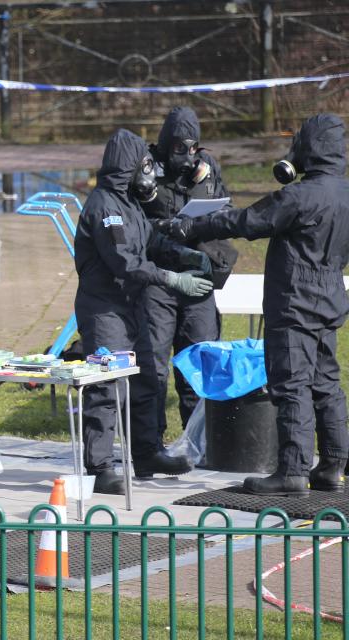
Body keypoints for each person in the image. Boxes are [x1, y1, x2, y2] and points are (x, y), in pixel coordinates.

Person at [159, 113, 349, 496]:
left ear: (308, 149)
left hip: (294, 302)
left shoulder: (299, 196)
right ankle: (332, 463)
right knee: (326, 381)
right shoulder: (344, 194)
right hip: (329, 297)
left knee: (291, 383)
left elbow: (246, 221)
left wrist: (193, 227)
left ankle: (292, 470)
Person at [74, 129, 214, 495]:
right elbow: (124, 261)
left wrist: (182, 254)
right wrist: (172, 279)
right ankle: (100, 466)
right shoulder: (104, 207)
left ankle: (148, 452)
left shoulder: (128, 203)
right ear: (128, 167)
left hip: (131, 306)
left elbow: (148, 238)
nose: (150, 173)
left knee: (146, 379)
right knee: (105, 387)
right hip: (105, 310)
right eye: (145, 165)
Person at [142, 106, 237, 431]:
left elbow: (228, 212)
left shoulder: (208, 168)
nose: (187, 154)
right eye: (179, 147)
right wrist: (167, 227)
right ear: (167, 144)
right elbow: (133, 226)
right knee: (153, 364)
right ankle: (151, 443)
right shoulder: (145, 168)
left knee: (200, 359)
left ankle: (200, 441)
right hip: (159, 278)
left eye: (192, 147)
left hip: (198, 276)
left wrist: (203, 221)